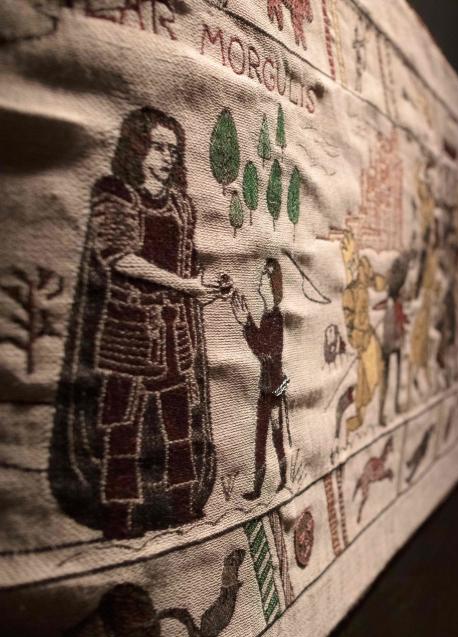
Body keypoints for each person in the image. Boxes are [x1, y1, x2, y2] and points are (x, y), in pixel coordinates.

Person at [49, 107, 220, 539]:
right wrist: (186, 285)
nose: (166, 158)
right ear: (136, 148)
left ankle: (183, 508)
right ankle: (120, 519)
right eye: (157, 147)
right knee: (121, 429)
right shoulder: (115, 194)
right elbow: (120, 258)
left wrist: (204, 286)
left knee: (180, 424)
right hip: (127, 332)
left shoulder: (181, 205)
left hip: (172, 333)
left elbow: (186, 264)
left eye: (173, 151)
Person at [231, 258, 290, 500]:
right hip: (267, 389)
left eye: (265, 276)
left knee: (274, 439)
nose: (260, 280)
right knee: (260, 438)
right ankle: (258, 488)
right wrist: (248, 322)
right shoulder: (267, 317)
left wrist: (246, 323)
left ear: (274, 287)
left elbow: (265, 351)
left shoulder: (275, 318)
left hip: (274, 391)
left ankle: (283, 480)